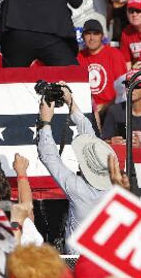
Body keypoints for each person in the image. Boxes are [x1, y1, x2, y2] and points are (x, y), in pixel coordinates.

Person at [36, 81, 113, 248]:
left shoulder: (80, 191)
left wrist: (45, 122)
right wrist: (71, 102)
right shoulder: (114, 188)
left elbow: (49, 157)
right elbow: (92, 143)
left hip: (77, 263)